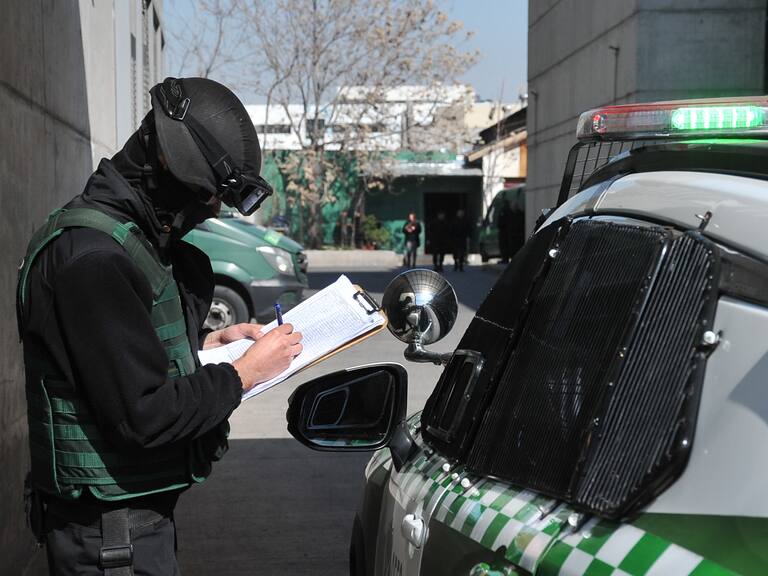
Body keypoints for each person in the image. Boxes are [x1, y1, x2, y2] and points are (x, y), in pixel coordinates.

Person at [16, 77, 303, 575]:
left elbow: (116, 358)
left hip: (124, 533)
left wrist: (207, 344)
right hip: (109, 544)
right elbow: (142, 416)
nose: (211, 210)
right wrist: (243, 374)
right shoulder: (93, 259)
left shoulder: (124, 241)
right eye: (206, 195)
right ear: (165, 163)